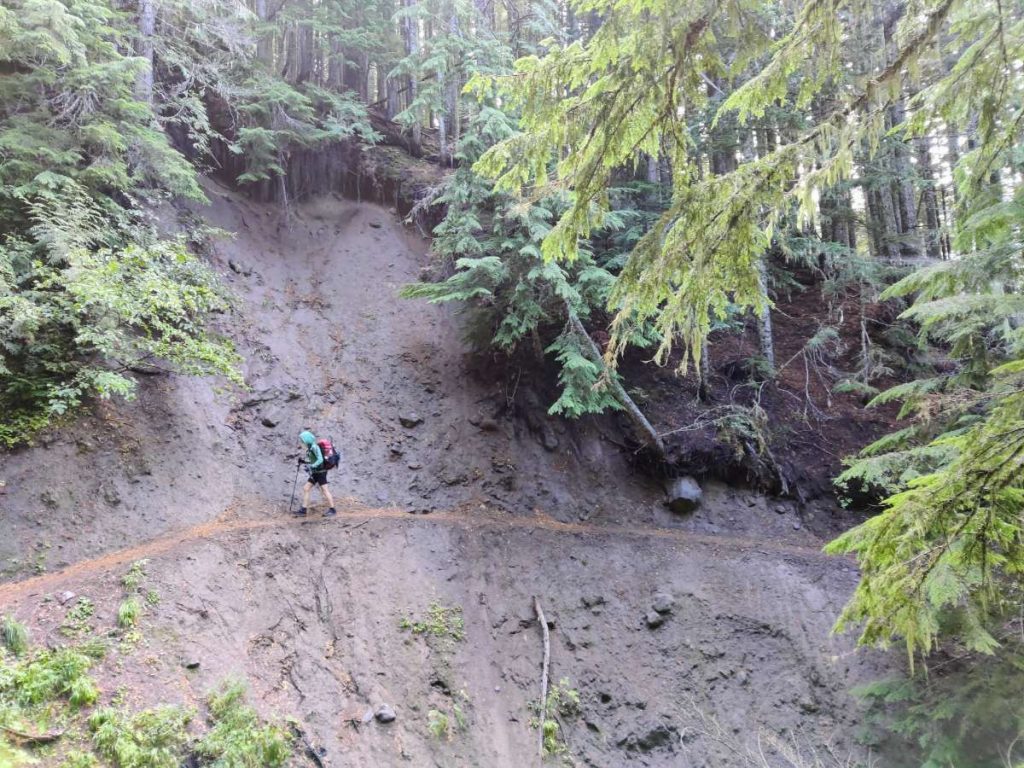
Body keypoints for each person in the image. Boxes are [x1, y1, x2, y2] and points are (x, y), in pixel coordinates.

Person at [295, 429, 336, 517]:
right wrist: (304, 461)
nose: (302, 442)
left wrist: (312, 466)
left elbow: (320, 459)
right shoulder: (310, 448)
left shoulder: (314, 447)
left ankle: (333, 510)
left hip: (321, 473)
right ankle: (303, 510)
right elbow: (312, 460)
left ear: (307, 440)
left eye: (303, 440)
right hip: (316, 473)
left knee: (325, 490)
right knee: (306, 488)